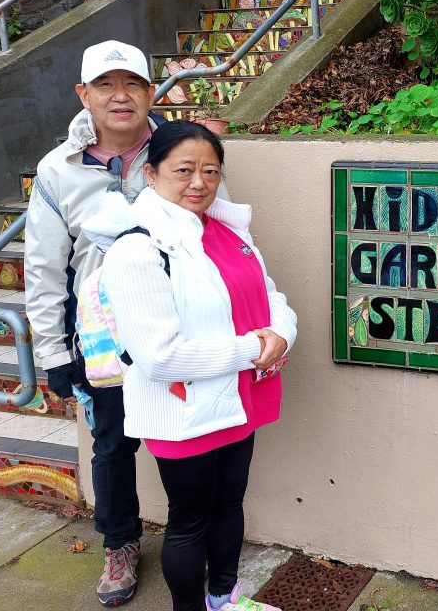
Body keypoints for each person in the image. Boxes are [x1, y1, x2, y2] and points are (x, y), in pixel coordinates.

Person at [82, 120, 296, 611]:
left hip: (240, 399)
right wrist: (251, 349)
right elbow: (160, 357)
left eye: (210, 171)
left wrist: (281, 333)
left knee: (230, 503)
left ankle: (225, 598)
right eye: (184, 170)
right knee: (189, 521)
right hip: (180, 412)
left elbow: (271, 296)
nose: (199, 182)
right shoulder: (138, 249)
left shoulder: (225, 230)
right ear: (151, 174)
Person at [24, 40, 161, 606]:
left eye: (132, 82)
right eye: (105, 84)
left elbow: (221, 236)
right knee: (111, 445)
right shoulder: (58, 169)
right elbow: (43, 266)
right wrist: (53, 353)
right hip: (104, 337)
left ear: (151, 92)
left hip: (176, 324)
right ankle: (120, 544)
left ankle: (195, 535)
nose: (120, 95)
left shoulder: (182, 148)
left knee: (195, 438)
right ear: (84, 94)